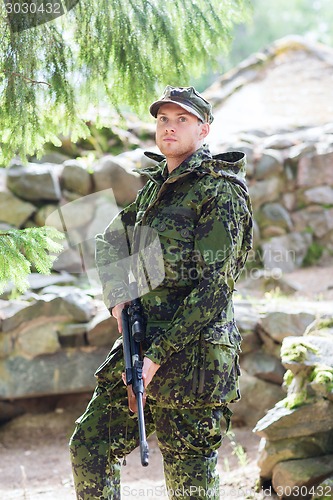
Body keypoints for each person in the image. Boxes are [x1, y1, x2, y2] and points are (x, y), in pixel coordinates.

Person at [69, 85, 253, 499]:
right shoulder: (159, 185)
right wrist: (119, 298)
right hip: (141, 343)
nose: (169, 128)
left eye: (181, 120)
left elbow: (213, 290)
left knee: (189, 483)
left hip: (194, 360)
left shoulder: (219, 191)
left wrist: (156, 357)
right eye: (163, 119)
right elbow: (111, 239)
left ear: (203, 130)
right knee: (90, 446)